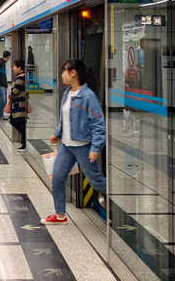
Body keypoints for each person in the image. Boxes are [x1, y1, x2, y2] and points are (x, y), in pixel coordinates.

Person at [41, 59, 106, 225]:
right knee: (57, 178)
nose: (62, 75)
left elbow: (98, 124)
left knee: (96, 181)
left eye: (64, 71)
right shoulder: (67, 93)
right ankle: (60, 215)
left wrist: (96, 148)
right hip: (67, 147)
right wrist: (58, 133)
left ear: (73, 73)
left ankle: (117, 207)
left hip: (84, 147)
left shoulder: (88, 96)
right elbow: (65, 117)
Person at [6, 59, 28, 151]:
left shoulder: (20, 78)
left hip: (19, 105)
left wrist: (10, 95)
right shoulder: (21, 77)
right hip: (18, 104)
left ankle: (24, 143)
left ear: (19, 68)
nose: (13, 68)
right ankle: (24, 142)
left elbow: (16, 91)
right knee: (16, 122)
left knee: (18, 122)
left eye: (14, 66)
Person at [0, 51, 11, 120]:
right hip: (0, 83)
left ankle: (1, 113)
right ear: (8, 56)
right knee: (3, 99)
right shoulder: (0, 63)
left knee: (5, 100)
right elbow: (0, 75)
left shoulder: (3, 63)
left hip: (3, 83)